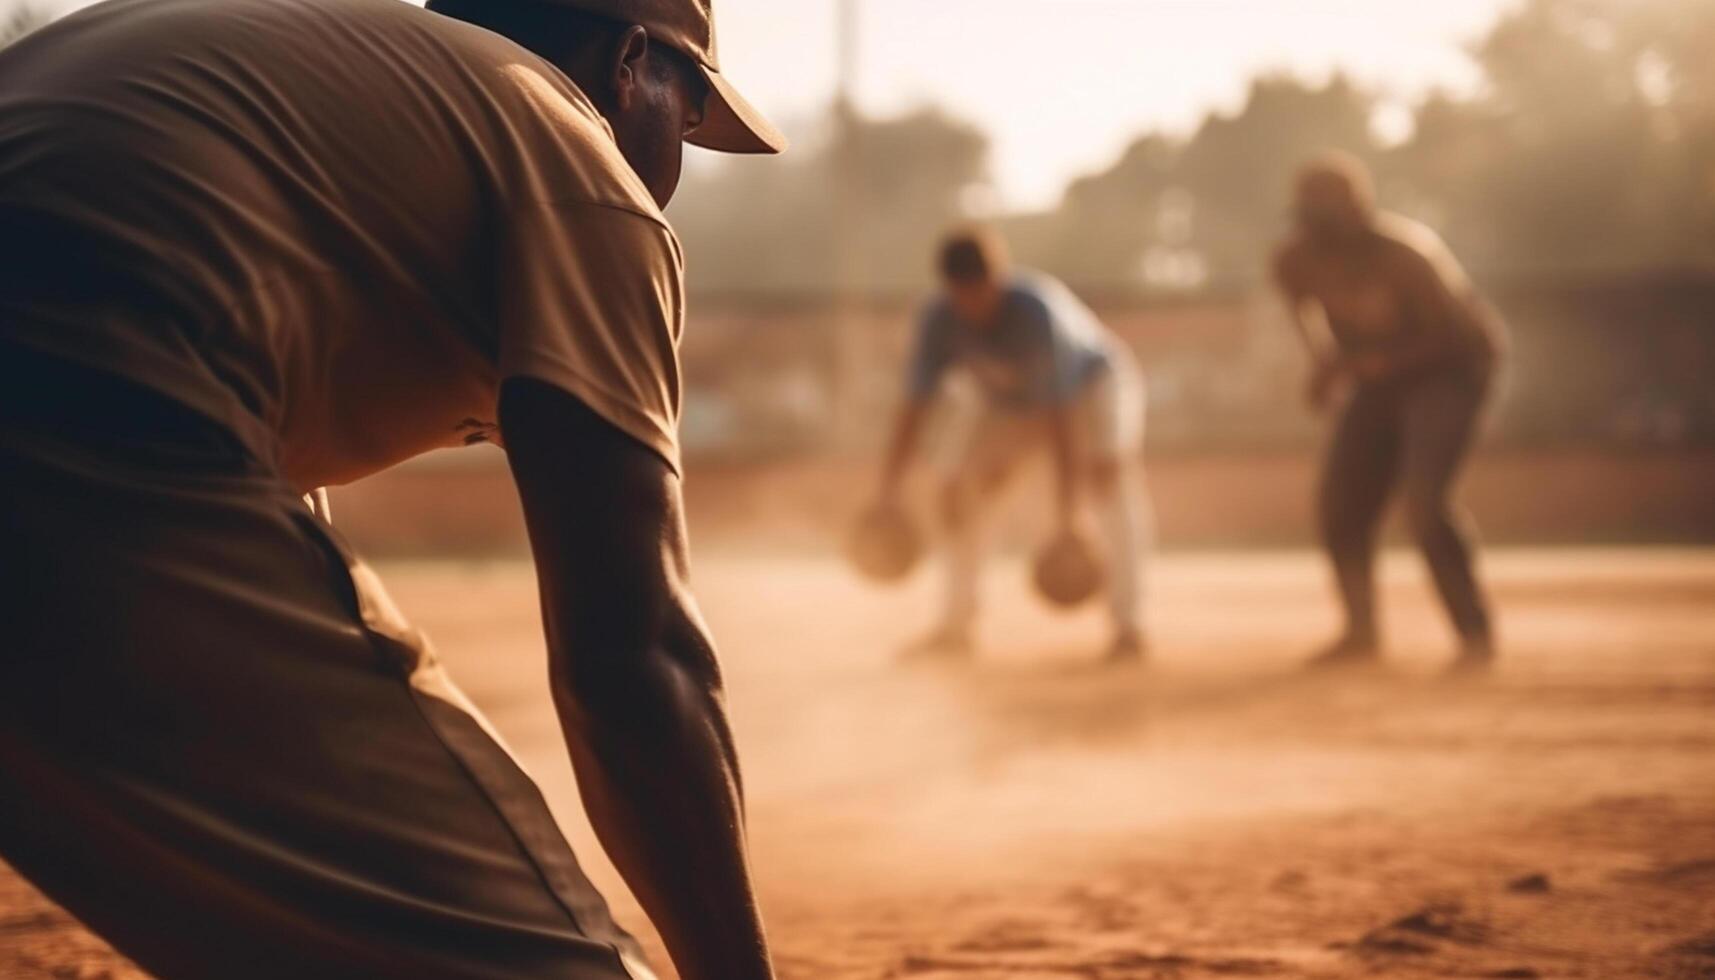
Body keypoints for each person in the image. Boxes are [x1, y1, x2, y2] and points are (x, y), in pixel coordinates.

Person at [0, 0, 785, 976]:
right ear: (629, 61)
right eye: (693, 111)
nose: (680, 161)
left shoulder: (326, 92)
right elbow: (635, 659)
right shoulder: (579, 160)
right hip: (90, 378)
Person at [873, 227, 1152, 662]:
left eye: (980, 292)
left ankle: (1128, 627)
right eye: (961, 295)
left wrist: (1069, 516)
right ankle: (955, 627)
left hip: (1093, 385)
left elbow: (1060, 423)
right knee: (957, 492)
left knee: (1109, 477)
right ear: (948, 288)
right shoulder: (938, 318)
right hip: (1007, 404)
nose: (972, 306)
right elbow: (914, 408)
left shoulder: (1037, 312)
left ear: (998, 278)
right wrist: (886, 493)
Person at [1271, 152, 1504, 672]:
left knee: (1424, 498)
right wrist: (1324, 365)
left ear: (1359, 208)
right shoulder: (1294, 260)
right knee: (1339, 503)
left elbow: (1455, 338)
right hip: (1375, 380)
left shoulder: (1407, 255)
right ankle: (1360, 633)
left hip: (1450, 372)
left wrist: (1377, 362)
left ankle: (1474, 635)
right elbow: (1305, 320)